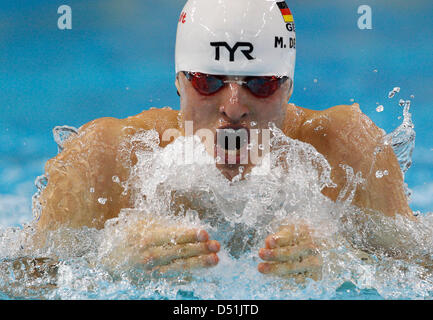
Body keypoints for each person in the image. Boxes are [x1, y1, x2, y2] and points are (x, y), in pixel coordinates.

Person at [34, 0, 413, 280]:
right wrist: (108, 263)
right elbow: (24, 281)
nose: (233, 107)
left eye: (260, 84)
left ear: (287, 89)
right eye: (208, 82)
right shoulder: (105, 156)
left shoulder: (347, 150)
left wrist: (344, 261)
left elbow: (419, 269)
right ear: (180, 83)